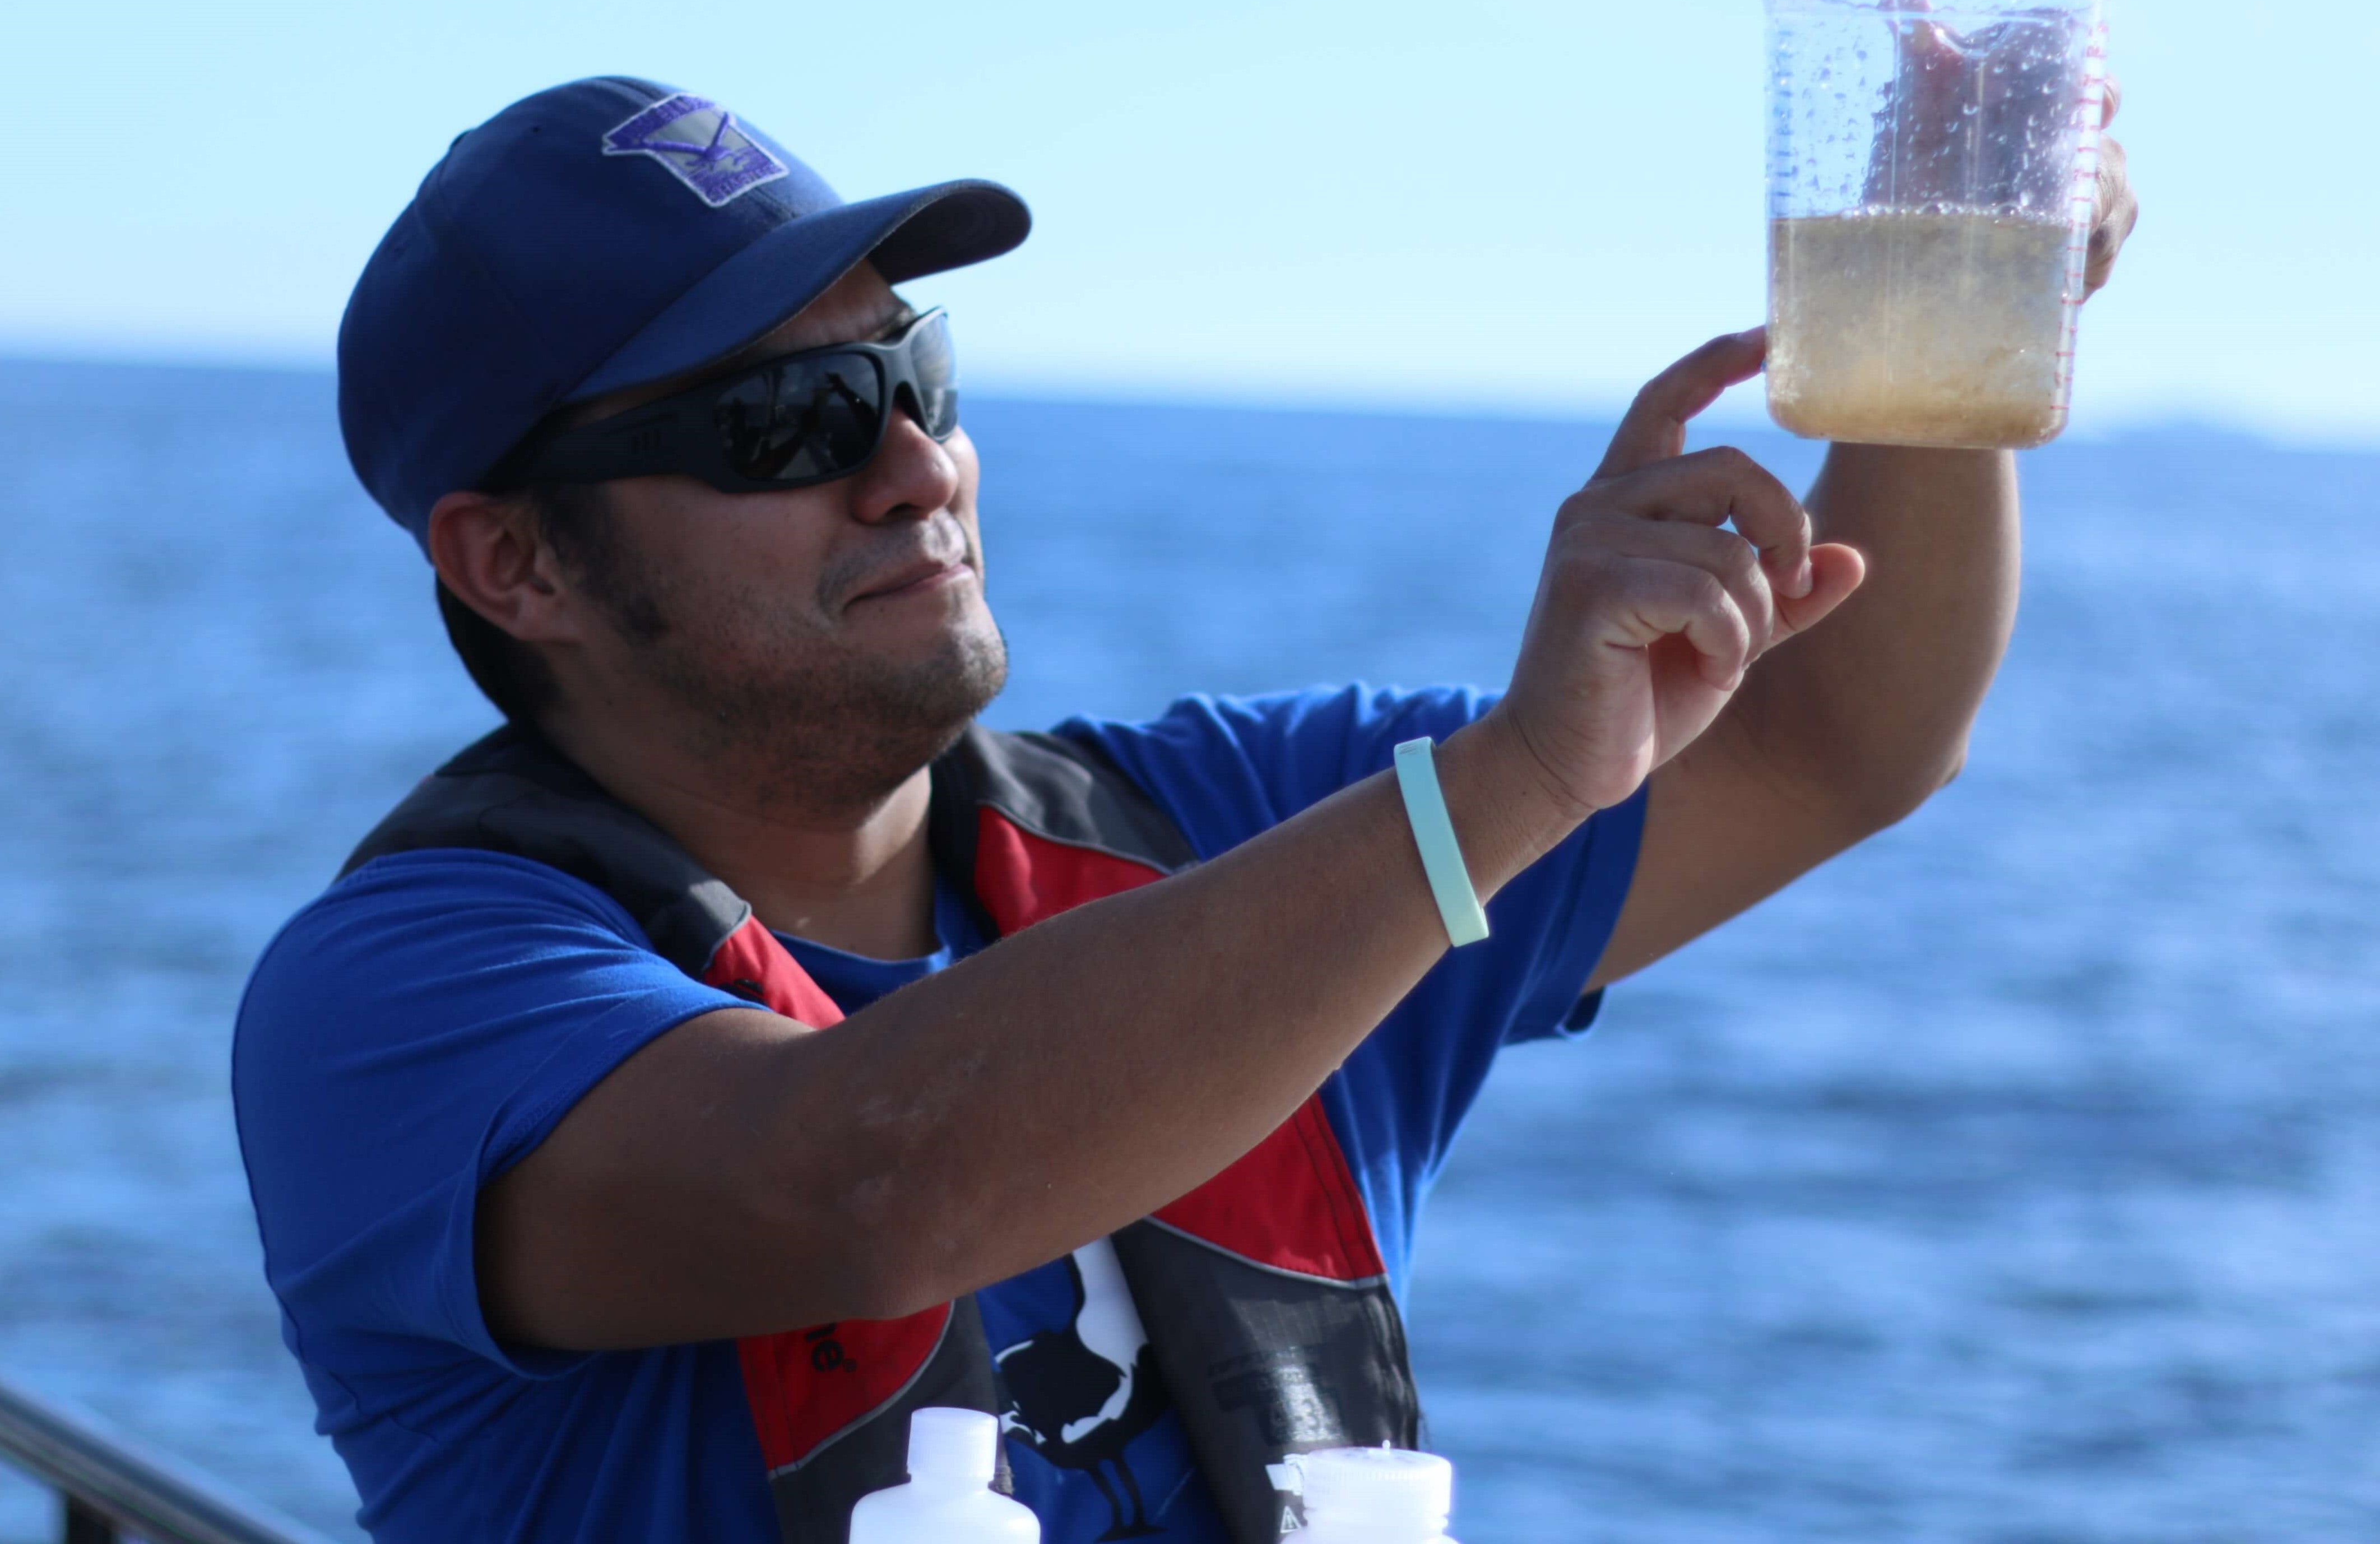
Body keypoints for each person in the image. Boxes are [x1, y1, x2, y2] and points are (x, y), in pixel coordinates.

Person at [234, 76, 2136, 1544]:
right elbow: (869, 1173)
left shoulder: (1228, 831)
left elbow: (1838, 743)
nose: (912, 467)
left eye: (912, 374)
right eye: (780, 423)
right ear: (514, 563)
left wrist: (1954, 302)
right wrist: (1505, 788)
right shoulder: (403, 1000)